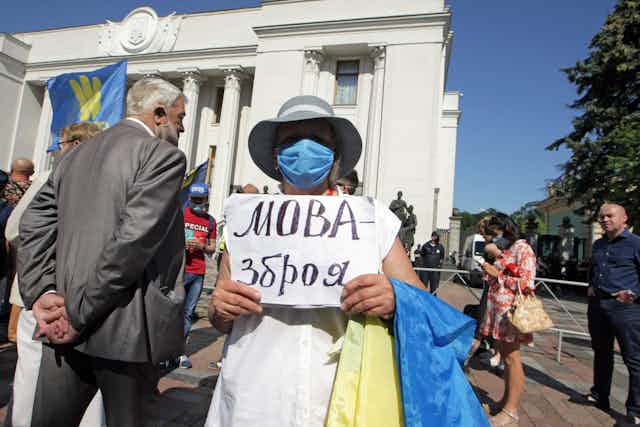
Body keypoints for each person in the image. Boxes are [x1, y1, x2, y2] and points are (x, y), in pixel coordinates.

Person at [204, 95, 424, 426]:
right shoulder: (247, 221)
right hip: (256, 399)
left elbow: (419, 301)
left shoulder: (372, 219)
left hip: (342, 399)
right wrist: (219, 308)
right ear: (276, 157)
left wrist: (395, 298)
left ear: (335, 156)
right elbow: (221, 316)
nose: (304, 149)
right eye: (291, 140)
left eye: (318, 140)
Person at [17, 77, 188, 427]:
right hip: (125, 331)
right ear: (158, 113)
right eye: (179, 117)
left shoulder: (74, 154)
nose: (182, 128)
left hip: (62, 322)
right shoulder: (163, 156)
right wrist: (76, 315)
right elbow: (132, 243)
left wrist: (44, 295)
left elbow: (32, 226)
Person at [5, 122, 106, 427]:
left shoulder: (54, 177)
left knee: (32, 377)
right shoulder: (110, 182)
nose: (58, 152)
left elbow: (15, 230)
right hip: (87, 297)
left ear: (74, 145)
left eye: (60, 145)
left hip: (41, 294)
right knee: (87, 381)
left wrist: (42, 276)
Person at [477, 213, 536, 427]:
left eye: (494, 234)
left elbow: (528, 283)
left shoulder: (523, 248)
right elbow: (500, 279)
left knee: (512, 359)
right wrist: (490, 272)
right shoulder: (507, 250)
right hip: (498, 313)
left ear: (506, 229)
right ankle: (505, 401)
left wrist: (498, 274)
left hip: (512, 314)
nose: (492, 239)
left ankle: (511, 412)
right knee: (505, 359)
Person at [585, 204, 640, 426]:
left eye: (610, 215)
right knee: (601, 352)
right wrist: (590, 285)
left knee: (634, 359)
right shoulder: (599, 244)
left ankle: (635, 410)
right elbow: (594, 269)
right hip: (598, 305)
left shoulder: (635, 244)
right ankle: (600, 395)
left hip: (626, 309)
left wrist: (635, 293)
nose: (604, 219)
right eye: (601, 216)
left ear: (624, 218)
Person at [179, 182, 216, 369]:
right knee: (173, 312)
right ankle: (165, 351)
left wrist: (202, 247)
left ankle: (181, 352)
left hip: (198, 273)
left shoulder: (210, 221)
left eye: (200, 200)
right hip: (180, 271)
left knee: (188, 313)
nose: (197, 203)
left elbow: (212, 248)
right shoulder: (182, 215)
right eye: (194, 200)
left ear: (206, 200)